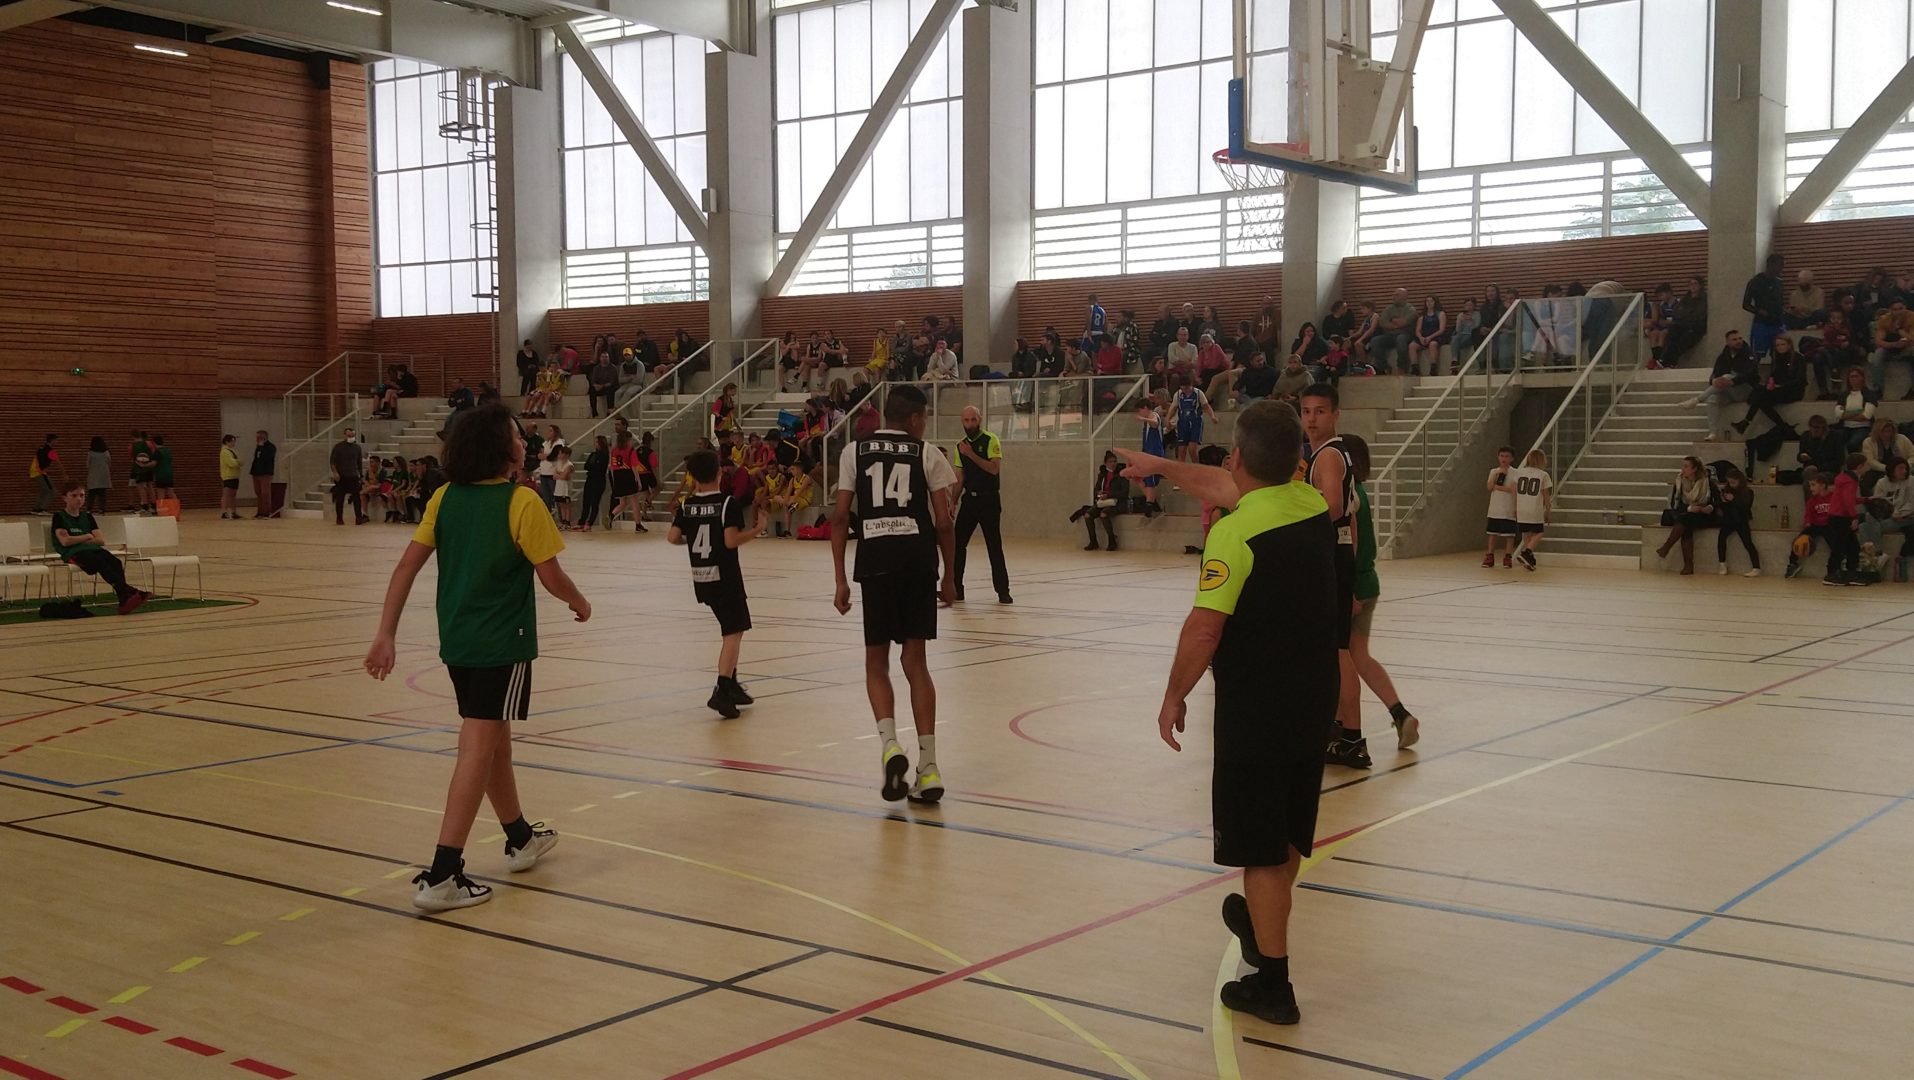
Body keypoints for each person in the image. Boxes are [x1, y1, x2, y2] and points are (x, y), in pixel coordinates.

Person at [1151, 400, 1337, 1028]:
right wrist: (1160, 465)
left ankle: (1272, 986)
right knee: (1286, 838)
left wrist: (1174, 695)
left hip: (1258, 711)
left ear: (1235, 458)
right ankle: (1262, 930)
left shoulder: (1234, 533)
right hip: (1315, 701)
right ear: (1297, 460)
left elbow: (1204, 629)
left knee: (1259, 851)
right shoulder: (1311, 505)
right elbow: (1239, 486)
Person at [365, 403, 587, 912]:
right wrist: (580, 602)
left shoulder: (445, 498)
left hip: (459, 643)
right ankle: (444, 873)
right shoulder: (523, 501)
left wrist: (385, 633)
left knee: (493, 743)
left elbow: (405, 568)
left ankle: (520, 838)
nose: (524, 441)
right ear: (498, 447)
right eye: (517, 434)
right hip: (501, 644)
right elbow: (551, 576)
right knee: (477, 749)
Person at [831, 385, 958, 803]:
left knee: (876, 662)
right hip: (918, 561)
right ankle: (929, 766)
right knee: (915, 662)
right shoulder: (928, 454)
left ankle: (889, 745)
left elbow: (840, 516)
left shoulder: (854, 452)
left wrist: (840, 578)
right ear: (916, 418)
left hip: (876, 561)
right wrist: (949, 576)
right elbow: (943, 522)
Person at [667, 449, 769, 719]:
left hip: (702, 577)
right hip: (725, 577)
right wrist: (757, 530)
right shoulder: (726, 503)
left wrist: (694, 541)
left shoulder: (688, 505)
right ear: (719, 473)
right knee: (733, 632)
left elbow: (673, 537)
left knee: (732, 627)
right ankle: (723, 689)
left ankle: (732, 684)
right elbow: (730, 541)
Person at [1344, 435, 1421, 749]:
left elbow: (1350, 543)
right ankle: (1400, 714)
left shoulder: (1347, 493)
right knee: (1359, 657)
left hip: (1354, 585)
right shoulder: (1360, 491)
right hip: (1368, 581)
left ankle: (1343, 729)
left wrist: (1346, 589)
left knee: (1342, 660)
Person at [51, 484, 150, 614]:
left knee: (115, 562)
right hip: (73, 553)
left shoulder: (87, 516)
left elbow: (100, 540)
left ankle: (124, 597)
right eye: (74, 496)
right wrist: (87, 536)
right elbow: (65, 541)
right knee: (99, 561)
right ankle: (128, 592)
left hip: (93, 550)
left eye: (82, 495)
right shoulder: (59, 516)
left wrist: (77, 539)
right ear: (64, 498)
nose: (79, 499)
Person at [950, 406, 1011, 605]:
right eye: (966, 420)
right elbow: (960, 476)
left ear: (980, 419)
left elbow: (993, 469)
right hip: (970, 500)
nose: (969, 424)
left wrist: (971, 454)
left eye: (973, 420)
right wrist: (953, 501)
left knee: (994, 545)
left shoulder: (991, 439)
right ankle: (957, 589)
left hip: (989, 500)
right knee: (958, 544)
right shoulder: (960, 446)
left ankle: (1003, 591)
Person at [1686, 330, 1758, 441]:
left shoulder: (1750, 355)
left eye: (1740, 338)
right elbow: (1716, 372)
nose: (1738, 341)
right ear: (1727, 342)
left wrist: (1734, 381)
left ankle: (1698, 399)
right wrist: (1714, 380)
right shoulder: (1724, 356)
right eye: (1734, 339)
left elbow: (1750, 374)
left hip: (1746, 390)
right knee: (1712, 398)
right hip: (1729, 391)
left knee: (1727, 376)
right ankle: (1713, 433)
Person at [1654, 456, 1717, 575]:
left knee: (1684, 521)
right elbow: (1674, 504)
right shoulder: (1679, 483)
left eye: (1686, 466)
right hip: (1687, 514)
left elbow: (1717, 501)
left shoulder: (1707, 482)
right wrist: (1690, 508)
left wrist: (1709, 507)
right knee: (1686, 522)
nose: (1682, 469)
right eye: (1682, 466)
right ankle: (1687, 564)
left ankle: (1667, 547)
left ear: (1694, 469)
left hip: (1705, 515)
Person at [1734, 335, 1806, 435]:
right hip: (1778, 388)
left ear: (1789, 345)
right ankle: (1783, 426)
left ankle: (1746, 422)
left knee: (1759, 397)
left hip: (1793, 390)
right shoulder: (1777, 358)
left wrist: (1781, 386)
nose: (1780, 347)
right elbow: (1774, 376)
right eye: (1777, 345)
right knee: (1761, 396)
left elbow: (1800, 380)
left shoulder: (1799, 358)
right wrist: (1771, 383)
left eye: (1782, 344)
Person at [1072, 450, 1129, 551]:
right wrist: (1099, 493)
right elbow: (1096, 490)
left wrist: (1108, 495)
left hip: (1116, 503)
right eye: (1110, 462)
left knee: (1104, 514)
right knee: (1087, 515)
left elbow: (1124, 493)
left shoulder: (1122, 475)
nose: (1113, 464)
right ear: (1106, 463)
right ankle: (1093, 541)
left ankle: (1112, 540)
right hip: (1103, 502)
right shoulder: (1102, 475)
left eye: (1115, 461)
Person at [1825, 453, 1864, 585]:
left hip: (1837, 516)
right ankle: (1832, 574)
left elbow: (1846, 499)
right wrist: (1854, 517)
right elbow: (1848, 501)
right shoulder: (1851, 481)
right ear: (1860, 466)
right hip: (1841, 517)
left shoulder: (1844, 478)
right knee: (1840, 547)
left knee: (1851, 546)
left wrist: (1866, 500)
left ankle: (1849, 573)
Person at [1786, 475, 1835, 579]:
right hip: (1815, 525)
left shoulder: (1834, 497)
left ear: (1823, 485)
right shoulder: (1812, 501)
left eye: (1813, 485)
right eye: (1810, 486)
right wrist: (1807, 522)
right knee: (1798, 541)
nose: (1811, 488)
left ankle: (1837, 566)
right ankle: (1793, 564)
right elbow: (1808, 515)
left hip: (1829, 525)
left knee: (1836, 544)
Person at [1714, 467, 1761, 576]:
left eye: (1733, 482)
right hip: (1729, 520)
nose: (1731, 485)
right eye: (1729, 482)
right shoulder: (1727, 490)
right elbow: (1723, 508)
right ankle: (1722, 563)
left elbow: (1745, 507)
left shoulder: (1748, 492)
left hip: (1741, 520)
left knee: (1747, 542)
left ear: (1740, 480)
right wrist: (1723, 501)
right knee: (1721, 538)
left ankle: (1756, 567)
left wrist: (1733, 500)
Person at [1512, 448, 1552, 570]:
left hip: (1521, 507)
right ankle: (1527, 552)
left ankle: (1529, 559)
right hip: (1534, 508)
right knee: (1539, 532)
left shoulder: (1519, 472)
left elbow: (1514, 491)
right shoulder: (1543, 475)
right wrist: (1548, 511)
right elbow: (1546, 495)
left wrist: (1514, 507)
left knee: (1526, 533)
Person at [1743, 253, 1787, 357]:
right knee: (1757, 355)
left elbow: (1781, 302)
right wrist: (1759, 311)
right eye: (1780, 266)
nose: (1781, 269)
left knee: (1780, 354)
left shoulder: (1779, 283)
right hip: (1762, 324)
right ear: (1770, 264)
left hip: (1778, 324)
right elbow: (1745, 304)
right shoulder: (1755, 282)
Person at [1869, 298, 1914, 398]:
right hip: (1890, 347)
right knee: (1877, 355)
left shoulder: (1912, 317)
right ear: (1890, 310)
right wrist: (1894, 344)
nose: (1898, 312)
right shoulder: (1884, 319)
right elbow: (1878, 341)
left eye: (1901, 308)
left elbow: (1912, 339)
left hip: (1907, 347)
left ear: (1905, 308)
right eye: (1895, 309)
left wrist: (1899, 330)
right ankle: (1878, 389)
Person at [1483, 446, 1518, 568]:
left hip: (1508, 507)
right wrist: (1497, 475)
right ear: (1498, 457)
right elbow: (1489, 486)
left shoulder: (1516, 473)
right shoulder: (1494, 471)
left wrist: (1497, 487)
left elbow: (1513, 489)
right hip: (1495, 508)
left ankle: (1508, 557)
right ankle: (1490, 556)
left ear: (1512, 458)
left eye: (1507, 456)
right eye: (1502, 456)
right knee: (1492, 533)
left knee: (1509, 535)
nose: (1504, 459)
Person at [1832, 366, 1879, 450]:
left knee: (1853, 444)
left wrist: (1846, 414)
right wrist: (1859, 411)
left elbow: (1866, 416)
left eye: (1856, 376)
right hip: (1845, 427)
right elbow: (1838, 415)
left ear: (1862, 378)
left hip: (1863, 428)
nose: (1854, 379)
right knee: (1835, 440)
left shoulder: (1869, 395)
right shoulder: (1844, 395)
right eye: (1851, 377)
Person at [1172, 376, 1217, 461]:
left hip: (1195, 423)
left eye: (1186, 388)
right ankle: (1181, 468)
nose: (1185, 391)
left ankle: (1196, 466)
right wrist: (1168, 419)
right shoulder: (1178, 394)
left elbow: (1206, 406)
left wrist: (1212, 416)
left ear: (1190, 385)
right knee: (1181, 450)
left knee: (1192, 449)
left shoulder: (1198, 393)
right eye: (1183, 389)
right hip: (1183, 423)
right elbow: (1173, 408)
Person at [330, 427, 366, 525]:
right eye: (349, 435)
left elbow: (359, 463)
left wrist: (360, 476)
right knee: (340, 498)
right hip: (342, 476)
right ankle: (339, 518)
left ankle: (358, 518)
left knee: (356, 498)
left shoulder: (357, 448)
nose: (351, 437)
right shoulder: (338, 447)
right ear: (345, 435)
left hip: (353, 476)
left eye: (353, 435)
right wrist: (335, 473)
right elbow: (332, 461)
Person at [1407, 296, 1447, 377]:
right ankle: (1415, 368)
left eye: (1431, 301)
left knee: (1432, 344)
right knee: (1412, 346)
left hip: (1436, 336)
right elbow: (1418, 330)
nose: (1429, 303)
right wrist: (1421, 337)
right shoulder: (1422, 316)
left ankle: (1433, 368)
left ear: (1435, 302)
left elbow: (1441, 329)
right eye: (1427, 301)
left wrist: (1430, 337)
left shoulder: (1440, 314)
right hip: (1424, 336)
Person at [249, 430, 277, 518]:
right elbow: (256, 458)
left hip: (265, 473)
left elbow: (266, 458)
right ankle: (260, 511)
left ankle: (267, 512)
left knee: (265, 493)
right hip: (256, 472)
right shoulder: (258, 447)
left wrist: (261, 448)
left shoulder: (271, 447)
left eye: (258, 437)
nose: (256, 439)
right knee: (258, 492)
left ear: (263, 437)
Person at [130, 429, 156, 515]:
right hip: (149, 467)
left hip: (139, 468)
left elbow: (132, 458)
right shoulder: (149, 443)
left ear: (132, 436)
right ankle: (154, 506)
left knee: (140, 487)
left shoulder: (132, 446)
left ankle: (145, 506)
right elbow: (153, 453)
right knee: (150, 486)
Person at [219, 434, 242, 519]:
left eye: (234, 441)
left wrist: (238, 462)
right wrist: (238, 462)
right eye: (232, 441)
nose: (234, 443)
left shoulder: (232, 451)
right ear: (227, 442)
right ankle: (224, 512)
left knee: (233, 495)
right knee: (226, 494)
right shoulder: (225, 451)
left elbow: (240, 461)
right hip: (228, 475)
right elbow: (231, 463)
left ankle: (233, 512)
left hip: (234, 475)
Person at [85, 436, 110, 514]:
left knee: (92, 493)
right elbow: (109, 462)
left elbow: (88, 464)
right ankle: (102, 509)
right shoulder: (106, 452)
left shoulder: (91, 453)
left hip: (93, 475)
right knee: (102, 493)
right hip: (104, 475)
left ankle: (89, 509)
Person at [551, 446, 575, 528]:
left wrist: (560, 475)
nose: (559, 455)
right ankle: (563, 521)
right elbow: (554, 476)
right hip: (559, 487)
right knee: (561, 505)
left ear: (566, 455)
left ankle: (568, 522)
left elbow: (564, 476)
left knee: (567, 505)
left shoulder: (569, 465)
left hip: (566, 488)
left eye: (561, 453)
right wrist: (560, 475)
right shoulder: (559, 464)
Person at [151, 434, 175, 505]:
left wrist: (144, 465)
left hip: (161, 475)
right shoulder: (167, 451)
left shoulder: (157, 451)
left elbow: (154, 463)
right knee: (171, 493)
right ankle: (176, 509)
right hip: (169, 474)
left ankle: (161, 509)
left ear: (154, 443)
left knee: (160, 493)